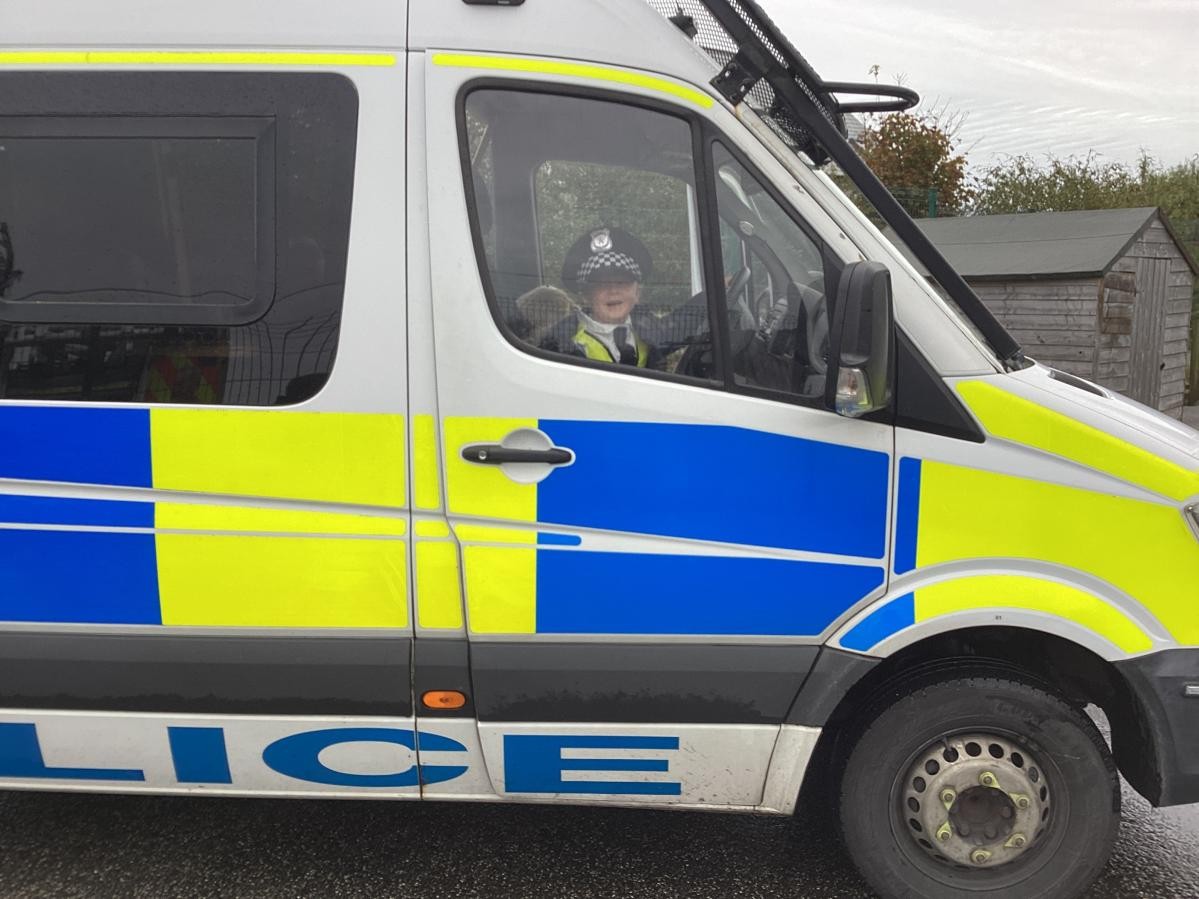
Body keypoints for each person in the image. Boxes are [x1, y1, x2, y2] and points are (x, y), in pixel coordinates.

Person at [559, 226, 655, 367]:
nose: (613, 290)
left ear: (637, 293)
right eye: (601, 284)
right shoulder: (562, 344)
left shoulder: (655, 334)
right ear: (586, 296)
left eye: (622, 282)